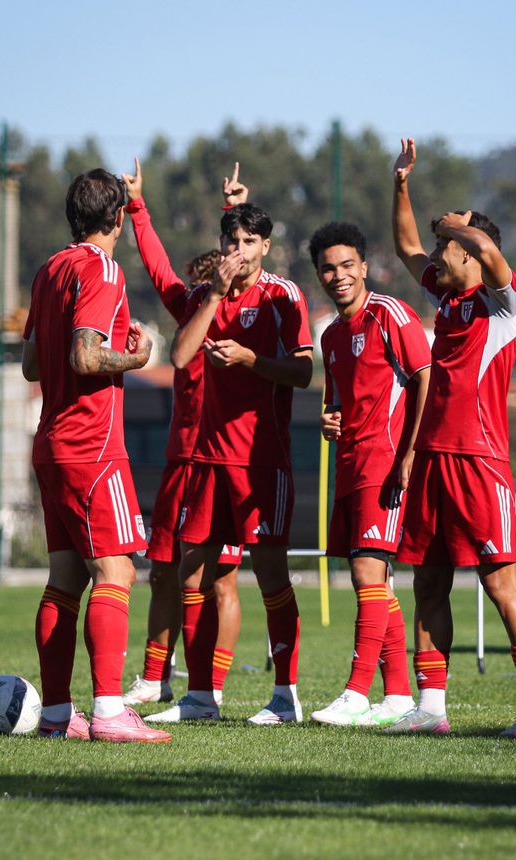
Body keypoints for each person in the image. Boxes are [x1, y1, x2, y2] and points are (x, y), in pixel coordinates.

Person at [387, 137, 516, 738]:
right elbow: (406, 244)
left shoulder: (503, 307)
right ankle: (431, 709)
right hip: (432, 460)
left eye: (448, 249)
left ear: (470, 254)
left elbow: (488, 247)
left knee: (498, 583)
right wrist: (402, 183)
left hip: (480, 461)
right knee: (428, 580)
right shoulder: (447, 298)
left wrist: (463, 228)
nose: (437, 256)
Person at [21, 168, 171, 743]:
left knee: (63, 580)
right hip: (93, 446)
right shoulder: (101, 269)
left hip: (51, 444)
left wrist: (102, 348)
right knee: (116, 571)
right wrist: (134, 359)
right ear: (116, 220)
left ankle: (59, 717)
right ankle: (109, 713)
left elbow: (34, 365)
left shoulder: (49, 270)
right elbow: (87, 358)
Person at [150, 199, 313, 725]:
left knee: (269, 574)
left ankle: (285, 696)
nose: (237, 251)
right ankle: (200, 697)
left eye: (248, 243)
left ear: (265, 247)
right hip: (207, 461)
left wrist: (252, 361)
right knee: (189, 573)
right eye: (230, 242)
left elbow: (304, 373)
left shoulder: (283, 297)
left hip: (262, 463)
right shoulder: (206, 295)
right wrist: (216, 292)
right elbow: (179, 356)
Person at [120, 159, 245, 711]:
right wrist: (137, 206)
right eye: (201, 278)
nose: (207, 282)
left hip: (225, 464)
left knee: (221, 581)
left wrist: (235, 208)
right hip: (182, 460)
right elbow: (157, 268)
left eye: (214, 274)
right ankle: (155, 675)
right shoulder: (195, 305)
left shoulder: (245, 310)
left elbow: (244, 246)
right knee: (162, 573)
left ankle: (209, 686)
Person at [309, 222, 432, 727]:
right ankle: (399, 695)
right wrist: (328, 417)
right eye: (327, 269)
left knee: (366, 574)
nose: (337, 276)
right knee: (376, 580)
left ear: (364, 266)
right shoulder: (332, 335)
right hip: (351, 466)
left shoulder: (390, 314)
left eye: (346, 266)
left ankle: (358, 691)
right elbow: (337, 399)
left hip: (386, 465)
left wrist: (409, 454)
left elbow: (425, 378)